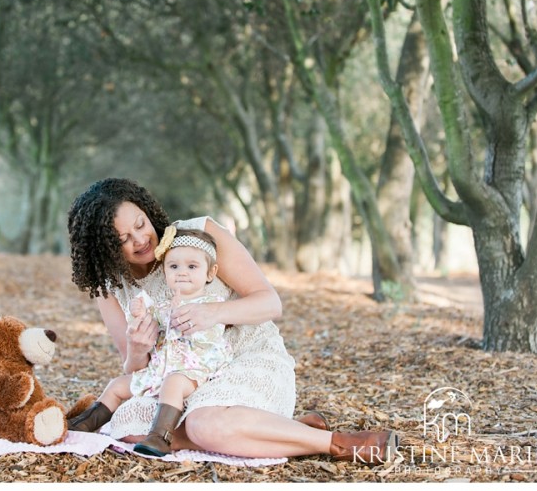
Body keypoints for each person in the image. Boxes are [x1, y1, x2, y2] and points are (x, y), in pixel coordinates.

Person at [66, 177, 398, 464]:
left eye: (139, 224)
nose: (139, 240)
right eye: (121, 239)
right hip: (179, 380)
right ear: (104, 249)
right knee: (126, 425)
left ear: (146, 210)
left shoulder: (199, 234)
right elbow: (137, 373)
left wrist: (214, 312)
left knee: (202, 426)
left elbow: (270, 302)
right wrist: (137, 349)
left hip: (245, 360)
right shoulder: (110, 287)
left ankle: (339, 444)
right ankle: (283, 430)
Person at [68, 228, 233, 457]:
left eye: (192, 267)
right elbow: (151, 333)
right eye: (174, 266)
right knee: (117, 385)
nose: (182, 273)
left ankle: (160, 436)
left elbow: (208, 339)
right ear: (165, 270)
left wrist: (181, 316)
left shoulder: (210, 304)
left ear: (210, 272)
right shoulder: (163, 305)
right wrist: (140, 315)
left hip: (192, 370)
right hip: (159, 370)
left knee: (173, 384)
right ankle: (82, 425)